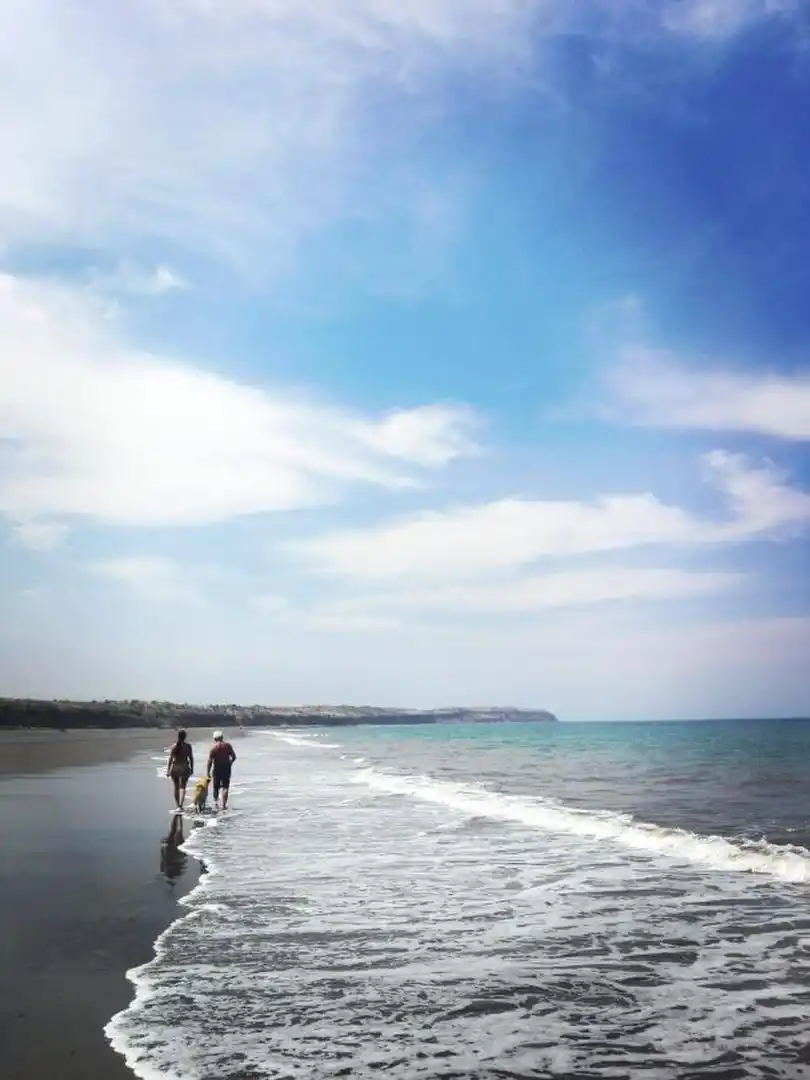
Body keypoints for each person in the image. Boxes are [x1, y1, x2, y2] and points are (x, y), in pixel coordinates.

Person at [207, 730, 236, 810]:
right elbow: (234, 757)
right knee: (225, 787)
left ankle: (216, 803)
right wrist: (230, 763)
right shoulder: (228, 746)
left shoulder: (213, 748)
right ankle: (223, 805)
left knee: (216, 787)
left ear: (214, 739)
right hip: (226, 767)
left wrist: (208, 772)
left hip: (217, 768)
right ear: (222, 737)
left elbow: (209, 761)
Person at [166, 729, 194, 811]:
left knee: (176, 787)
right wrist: (192, 768)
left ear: (178, 736)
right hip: (185, 767)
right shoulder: (188, 746)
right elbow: (191, 758)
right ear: (185, 737)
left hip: (175, 767)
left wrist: (168, 770)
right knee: (183, 787)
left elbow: (170, 759)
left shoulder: (174, 746)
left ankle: (178, 805)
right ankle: (181, 804)